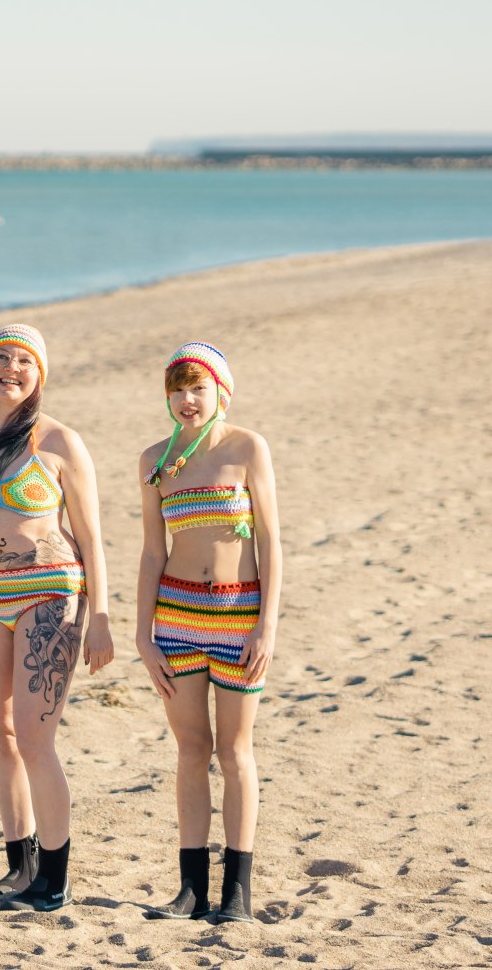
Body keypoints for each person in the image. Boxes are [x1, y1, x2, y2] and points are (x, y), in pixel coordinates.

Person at [0, 325, 113, 912]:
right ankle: (21, 867)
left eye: (24, 361)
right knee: (4, 736)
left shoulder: (61, 441)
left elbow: (92, 537)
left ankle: (56, 877)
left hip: (50, 594)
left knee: (37, 740)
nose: (11, 368)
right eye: (2, 358)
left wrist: (102, 616)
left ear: (40, 375)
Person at [134, 342, 281, 924]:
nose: (187, 400)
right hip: (176, 620)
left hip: (239, 616)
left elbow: (270, 541)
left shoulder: (247, 448)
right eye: (178, 389)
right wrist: (143, 635)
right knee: (192, 750)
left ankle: (237, 893)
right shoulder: (153, 460)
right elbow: (151, 553)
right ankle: (191, 890)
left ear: (222, 391)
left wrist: (267, 625)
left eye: (198, 388)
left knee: (236, 750)